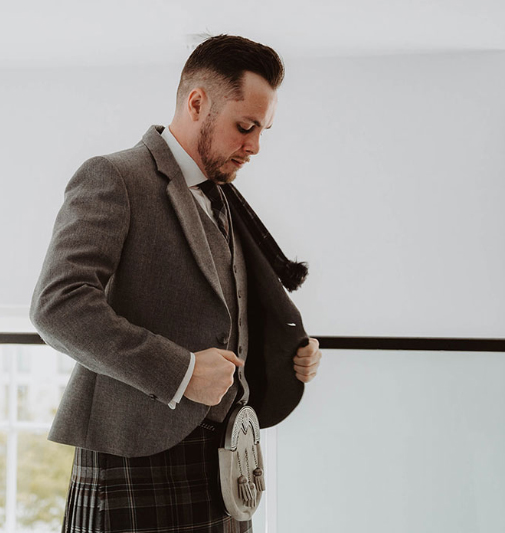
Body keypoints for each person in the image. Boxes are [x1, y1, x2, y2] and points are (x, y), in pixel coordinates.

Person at [30, 34, 322, 533]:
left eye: (262, 130)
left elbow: (227, 306)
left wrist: (288, 350)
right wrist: (181, 372)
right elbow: (58, 306)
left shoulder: (225, 197)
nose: (254, 146)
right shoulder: (114, 177)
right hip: (137, 457)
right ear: (196, 102)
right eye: (245, 126)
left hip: (228, 463)